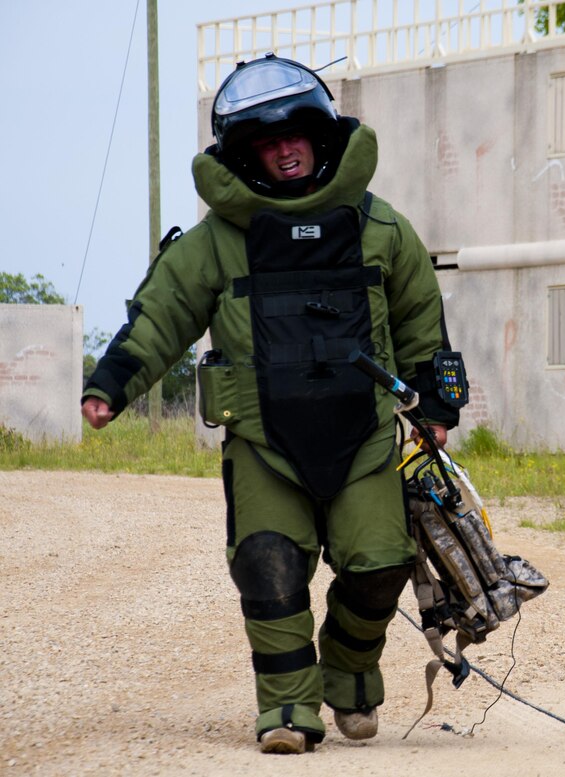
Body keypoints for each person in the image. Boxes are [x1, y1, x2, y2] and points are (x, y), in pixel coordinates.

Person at [81, 54, 461, 755]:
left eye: (297, 136)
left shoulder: (381, 229)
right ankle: (288, 707)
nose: (285, 151)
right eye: (265, 141)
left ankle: (347, 672)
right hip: (264, 442)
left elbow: (419, 318)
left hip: (367, 437)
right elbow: (159, 315)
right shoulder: (216, 242)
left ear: (322, 138)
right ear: (244, 154)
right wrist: (111, 384)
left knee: (380, 562)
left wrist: (436, 402)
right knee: (268, 564)